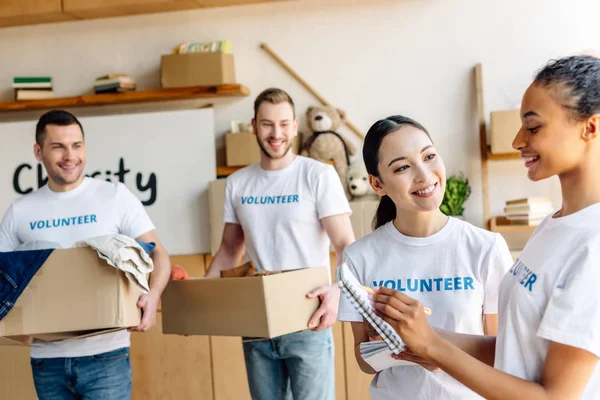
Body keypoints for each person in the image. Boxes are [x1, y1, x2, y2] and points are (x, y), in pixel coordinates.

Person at [372, 55, 600, 400]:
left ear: (591, 128)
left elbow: (555, 397)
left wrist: (433, 346)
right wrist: (417, 332)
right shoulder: (554, 226)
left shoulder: (593, 244)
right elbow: (515, 353)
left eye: (533, 126)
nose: (517, 140)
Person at [337, 115, 513, 399]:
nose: (423, 175)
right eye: (403, 167)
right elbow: (363, 361)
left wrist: (436, 352)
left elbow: (500, 351)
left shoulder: (486, 247)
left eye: (429, 156)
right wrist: (390, 348)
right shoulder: (359, 257)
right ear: (377, 184)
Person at [0, 109, 171, 400]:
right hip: (46, 360)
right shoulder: (20, 212)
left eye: (77, 145)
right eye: (58, 147)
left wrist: (153, 296)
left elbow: (160, 255)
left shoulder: (114, 196)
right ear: (38, 151)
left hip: (105, 356)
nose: (70, 156)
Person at [206, 88, 355, 400]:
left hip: (308, 319)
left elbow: (345, 245)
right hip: (257, 321)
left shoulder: (318, 175)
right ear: (253, 125)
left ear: (296, 125)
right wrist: (197, 301)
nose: (276, 133)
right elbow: (230, 250)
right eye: (267, 124)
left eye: (284, 124)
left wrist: (337, 292)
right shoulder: (238, 183)